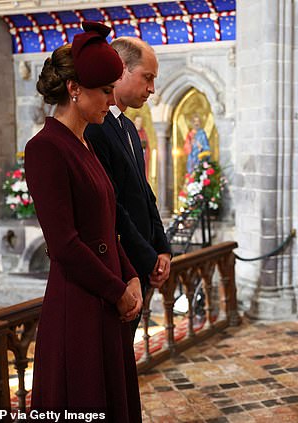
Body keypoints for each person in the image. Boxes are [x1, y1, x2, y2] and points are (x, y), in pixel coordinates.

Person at [24, 22, 142, 421]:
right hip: (79, 303)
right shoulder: (45, 148)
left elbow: (107, 227)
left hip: (105, 298)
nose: (111, 101)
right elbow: (65, 245)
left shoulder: (85, 142)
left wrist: (131, 276)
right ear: (74, 90)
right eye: (105, 90)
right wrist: (117, 289)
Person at [85, 37, 171, 338]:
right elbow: (114, 205)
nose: (151, 89)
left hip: (142, 261)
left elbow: (145, 194)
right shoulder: (96, 128)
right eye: (147, 78)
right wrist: (147, 259)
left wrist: (163, 248)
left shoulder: (130, 129)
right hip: (121, 266)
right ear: (121, 71)